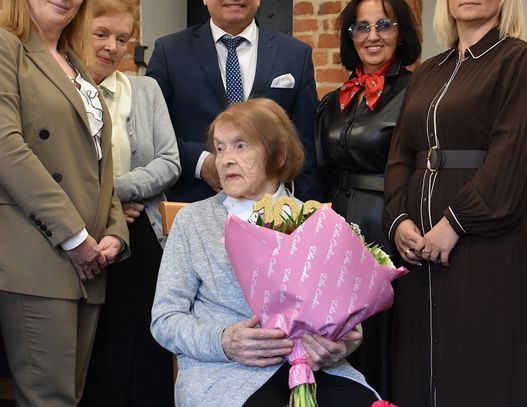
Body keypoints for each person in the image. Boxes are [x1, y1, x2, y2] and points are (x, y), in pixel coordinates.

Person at [151, 98, 378, 407]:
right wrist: (223, 340)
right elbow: (165, 319)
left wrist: (338, 347)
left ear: (278, 155)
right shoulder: (194, 222)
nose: (225, 160)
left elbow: (350, 324)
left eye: (240, 146)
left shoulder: (315, 220)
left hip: (314, 369)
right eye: (220, 148)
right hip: (228, 373)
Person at [383, 0, 527, 405]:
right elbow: (400, 154)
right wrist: (399, 219)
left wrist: (455, 223)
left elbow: (511, 158)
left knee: (480, 359)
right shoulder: (428, 71)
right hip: (417, 247)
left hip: (484, 242)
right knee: (419, 362)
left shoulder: (519, 60)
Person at [0, 0, 129, 406]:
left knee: (70, 397)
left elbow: (97, 163)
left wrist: (115, 231)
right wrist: (74, 236)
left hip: (89, 259)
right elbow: (6, 149)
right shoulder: (6, 45)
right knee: (49, 400)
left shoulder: (73, 62)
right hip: (38, 253)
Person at [315, 0, 421, 399]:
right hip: (337, 225)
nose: (372, 36)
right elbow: (319, 170)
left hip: (388, 222)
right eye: (361, 27)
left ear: (401, 32)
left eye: (384, 25)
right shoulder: (335, 100)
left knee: (384, 334)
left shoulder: (417, 92)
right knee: (339, 331)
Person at [79, 1, 181, 406]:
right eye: (101, 34)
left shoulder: (145, 89)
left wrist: (119, 192)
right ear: (77, 30)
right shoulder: (57, 91)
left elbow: (169, 162)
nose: (112, 47)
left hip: (142, 230)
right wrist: (109, 207)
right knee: (97, 350)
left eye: (122, 39)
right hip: (83, 234)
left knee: (142, 347)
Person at [146, 0, 321, 203]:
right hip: (192, 203)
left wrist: (309, 212)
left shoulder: (295, 54)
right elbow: (151, 130)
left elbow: (304, 144)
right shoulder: (169, 51)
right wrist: (201, 163)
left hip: (272, 210)